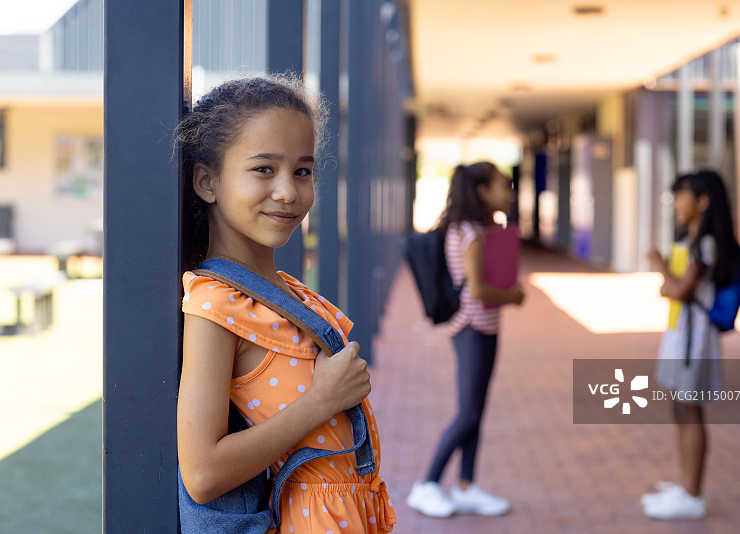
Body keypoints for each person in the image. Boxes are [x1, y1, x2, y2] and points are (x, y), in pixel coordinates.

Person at [175, 75, 396, 533]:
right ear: (207, 181)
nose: (288, 192)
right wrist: (322, 401)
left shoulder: (284, 291)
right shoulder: (216, 304)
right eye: (263, 169)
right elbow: (203, 473)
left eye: (302, 170)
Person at [406, 162, 525, 518]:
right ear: (482, 192)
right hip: (474, 327)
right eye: (503, 186)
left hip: (480, 327)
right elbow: (480, 288)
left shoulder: (471, 228)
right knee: (469, 412)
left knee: (475, 411)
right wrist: (515, 297)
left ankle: (466, 486)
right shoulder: (473, 232)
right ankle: (426, 485)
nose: (510, 192)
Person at [643, 169, 740, 520]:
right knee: (681, 407)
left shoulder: (705, 243)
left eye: (683, 196)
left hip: (694, 340)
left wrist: (659, 267)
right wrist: (670, 285)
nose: (677, 204)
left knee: (690, 408)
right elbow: (677, 289)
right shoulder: (692, 239)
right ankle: (686, 483)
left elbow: (680, 290)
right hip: (681, 335)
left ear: (703, 202)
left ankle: (692, 492)